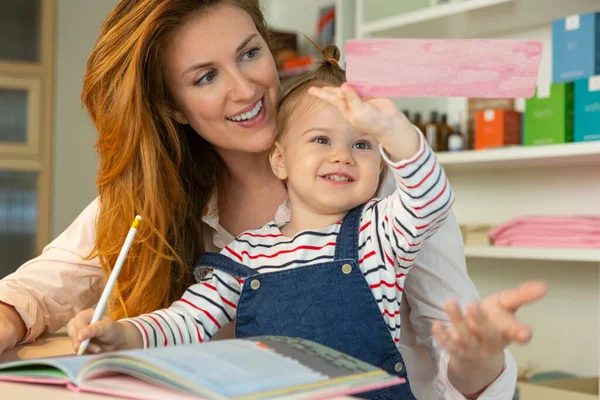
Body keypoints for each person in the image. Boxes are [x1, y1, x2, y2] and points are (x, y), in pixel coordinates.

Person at [0, 1, 546, 398]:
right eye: (207, 76)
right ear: (173, 108)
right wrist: (105, 330)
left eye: (249, 53)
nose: (245, 88)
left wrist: (480, 361)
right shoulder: (189, 215)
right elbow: (68, 286)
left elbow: (460, 346)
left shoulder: (380, 199)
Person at [69, 44, 455, 400]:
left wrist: (395, 133)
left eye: (362, 144)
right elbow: (186, 321)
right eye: (321, 140)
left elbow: (432, 198)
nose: (342, 156)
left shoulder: (381, 233)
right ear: (280, 160)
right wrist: (124, 334)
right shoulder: (247, 252)